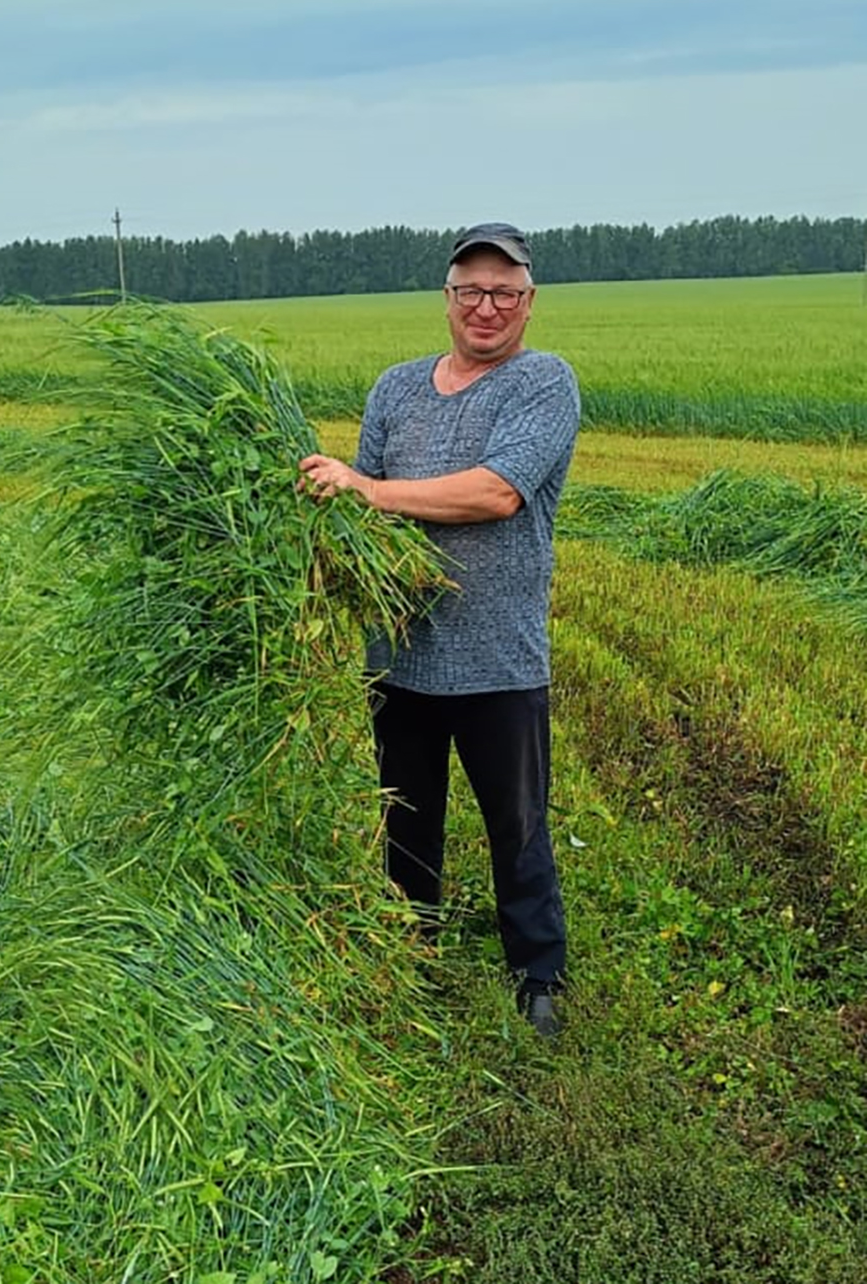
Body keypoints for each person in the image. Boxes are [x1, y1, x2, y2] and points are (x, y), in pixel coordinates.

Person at [299, 222, 580, 1038]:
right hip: (399, 653)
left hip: (498, 655)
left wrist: (364, 492)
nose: (485, 307)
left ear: (528, 303)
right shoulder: (396, 388)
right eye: (470, 291)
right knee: (406, 817)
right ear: (447, 299)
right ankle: (410, 949)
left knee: (516, 822)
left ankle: (538, 973)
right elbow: (363, 517)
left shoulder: (542, 383)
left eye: (503, 292)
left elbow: (496, 493)